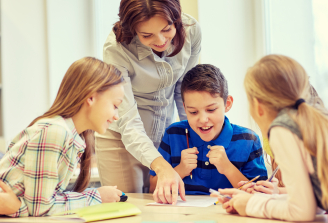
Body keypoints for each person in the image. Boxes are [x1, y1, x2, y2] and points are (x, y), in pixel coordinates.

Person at [213, 54, 328, 222]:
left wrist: (251, 205)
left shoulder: (282, 128)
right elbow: (311, 201)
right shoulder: (320, 120)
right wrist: (256, 200)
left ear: (258, 106)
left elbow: (302, 212)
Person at [96, 0, 201, 204]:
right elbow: (128, 121)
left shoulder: (192, 31)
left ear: (176, 18)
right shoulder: (116, 49)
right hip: (121, 139)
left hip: (164, 135)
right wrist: (161, 166)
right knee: (128, 207)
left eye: (166, 29)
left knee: (164, 208)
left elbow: (184, 91)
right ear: (132, 29)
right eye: (147, 35)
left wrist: (196, 136)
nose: (161, 40)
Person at [0, 57, 125, 216]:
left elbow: (40, 204)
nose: (116, 116)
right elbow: (41, 208)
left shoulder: (71, 137)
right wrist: (96, 196)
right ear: (91, 97)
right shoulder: (54, 132)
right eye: (115, 105)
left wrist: (17, 207)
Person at [148, 64, 267, 195]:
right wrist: (181, 170)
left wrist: (228, 168)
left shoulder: (249, 140)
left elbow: (260, 195)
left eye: (211, 110)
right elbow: (153, 188)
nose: (203, 119)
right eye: (193, 112)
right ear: (185, 108)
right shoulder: (173, 134)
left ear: (227, 104)